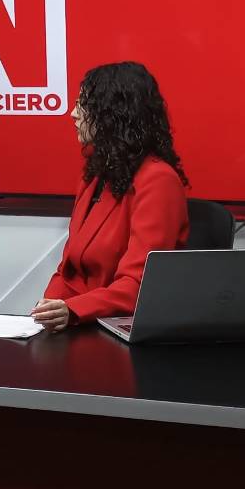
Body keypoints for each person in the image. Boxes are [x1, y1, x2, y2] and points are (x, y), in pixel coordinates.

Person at [33, 61, 189, 332]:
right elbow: (69, 269)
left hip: (124, 327)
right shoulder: (94, 175)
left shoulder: (158, 180)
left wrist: (72, 310)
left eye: (83, 105)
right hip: (84, 322)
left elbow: (139, 284)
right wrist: (49, 308)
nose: (73, 114)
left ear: (111, 113)